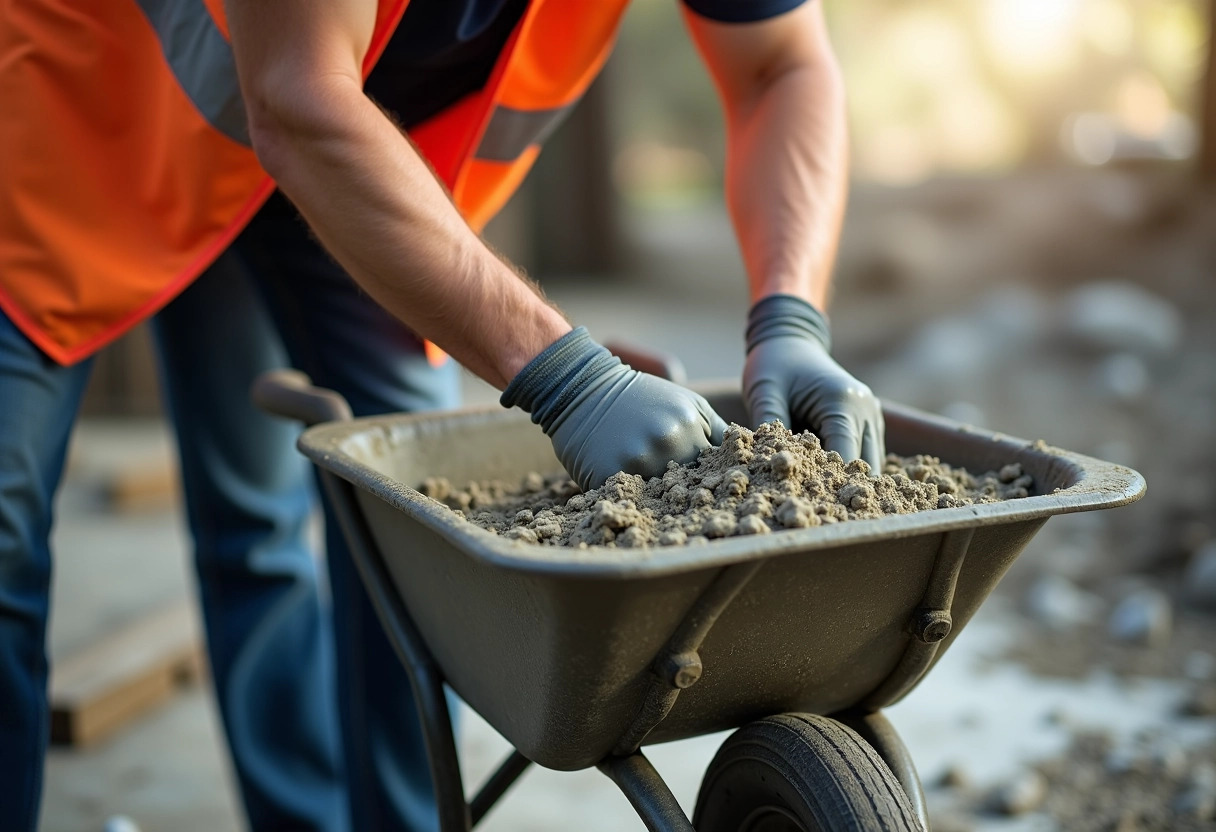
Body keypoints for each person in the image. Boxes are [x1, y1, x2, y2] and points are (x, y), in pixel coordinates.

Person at [0, 1, 883, 830]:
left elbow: (779, 66)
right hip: (103, 115)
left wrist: (789, 318)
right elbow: (296, 95)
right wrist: (573, 380)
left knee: (410, 540)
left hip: (368, 155)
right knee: (95, 524)